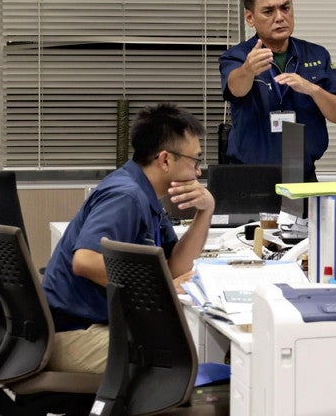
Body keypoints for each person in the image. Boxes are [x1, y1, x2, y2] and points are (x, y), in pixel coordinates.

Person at [42, 103, 216, 374]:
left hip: (94, 326)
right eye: (195, 160)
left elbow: (175, 269)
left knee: (187, 347)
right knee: (179, 362)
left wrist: (205, 213)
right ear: (166, 159)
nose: (198, 172)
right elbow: (85, 261)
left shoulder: (147, 195)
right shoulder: (126, 196)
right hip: (73, 334)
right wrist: (160, 286)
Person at [219, 0, 336, 173]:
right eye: (268, 11)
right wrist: (248, 69)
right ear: (250, 17)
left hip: (302, 173)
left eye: (285, 8)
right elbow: (235, 88)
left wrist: (313, 90)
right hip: (251, 177)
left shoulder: (316, 54)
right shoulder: (238, 56)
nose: (280, 17)